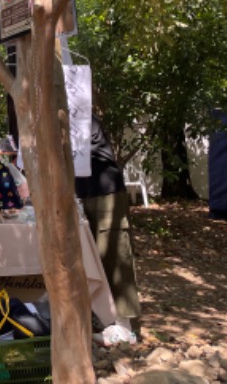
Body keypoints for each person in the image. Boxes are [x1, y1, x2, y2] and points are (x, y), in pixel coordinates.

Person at [75, 114, 141, 346]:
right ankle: (100, 317)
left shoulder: (77, 111)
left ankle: (124, 326)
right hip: (78, 194)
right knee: (83, 259)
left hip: (104, 192)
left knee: (113, 255)